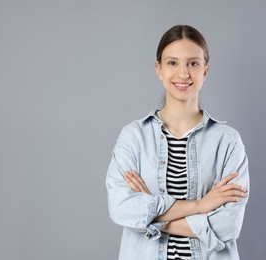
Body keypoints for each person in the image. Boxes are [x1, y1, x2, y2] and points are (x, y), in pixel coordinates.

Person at [106, 25, 250, 260]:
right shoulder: (133, 137)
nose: (183, 73)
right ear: (159, 69)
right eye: (172, 63)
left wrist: (152, 216)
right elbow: (122, 209)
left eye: (193, 63)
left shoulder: (227, 141)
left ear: (206, 70)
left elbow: (228, 226)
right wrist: (200, 206)